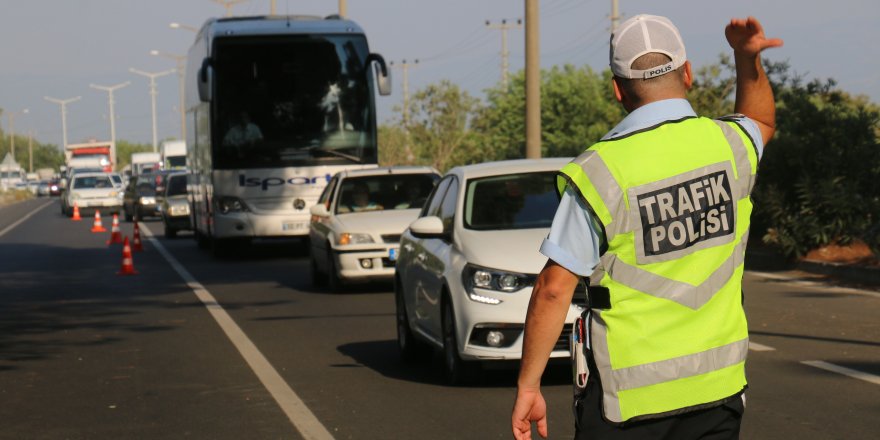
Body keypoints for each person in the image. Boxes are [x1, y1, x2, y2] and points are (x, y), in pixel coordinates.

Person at [511, 15, 783, 440]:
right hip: (718, 393)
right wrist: (746, 59)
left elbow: (553, 288)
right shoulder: (731, 146)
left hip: (629, 406)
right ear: (688, 74)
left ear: (618, 90)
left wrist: (529, 385)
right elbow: (761, 122)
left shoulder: (601, 171)